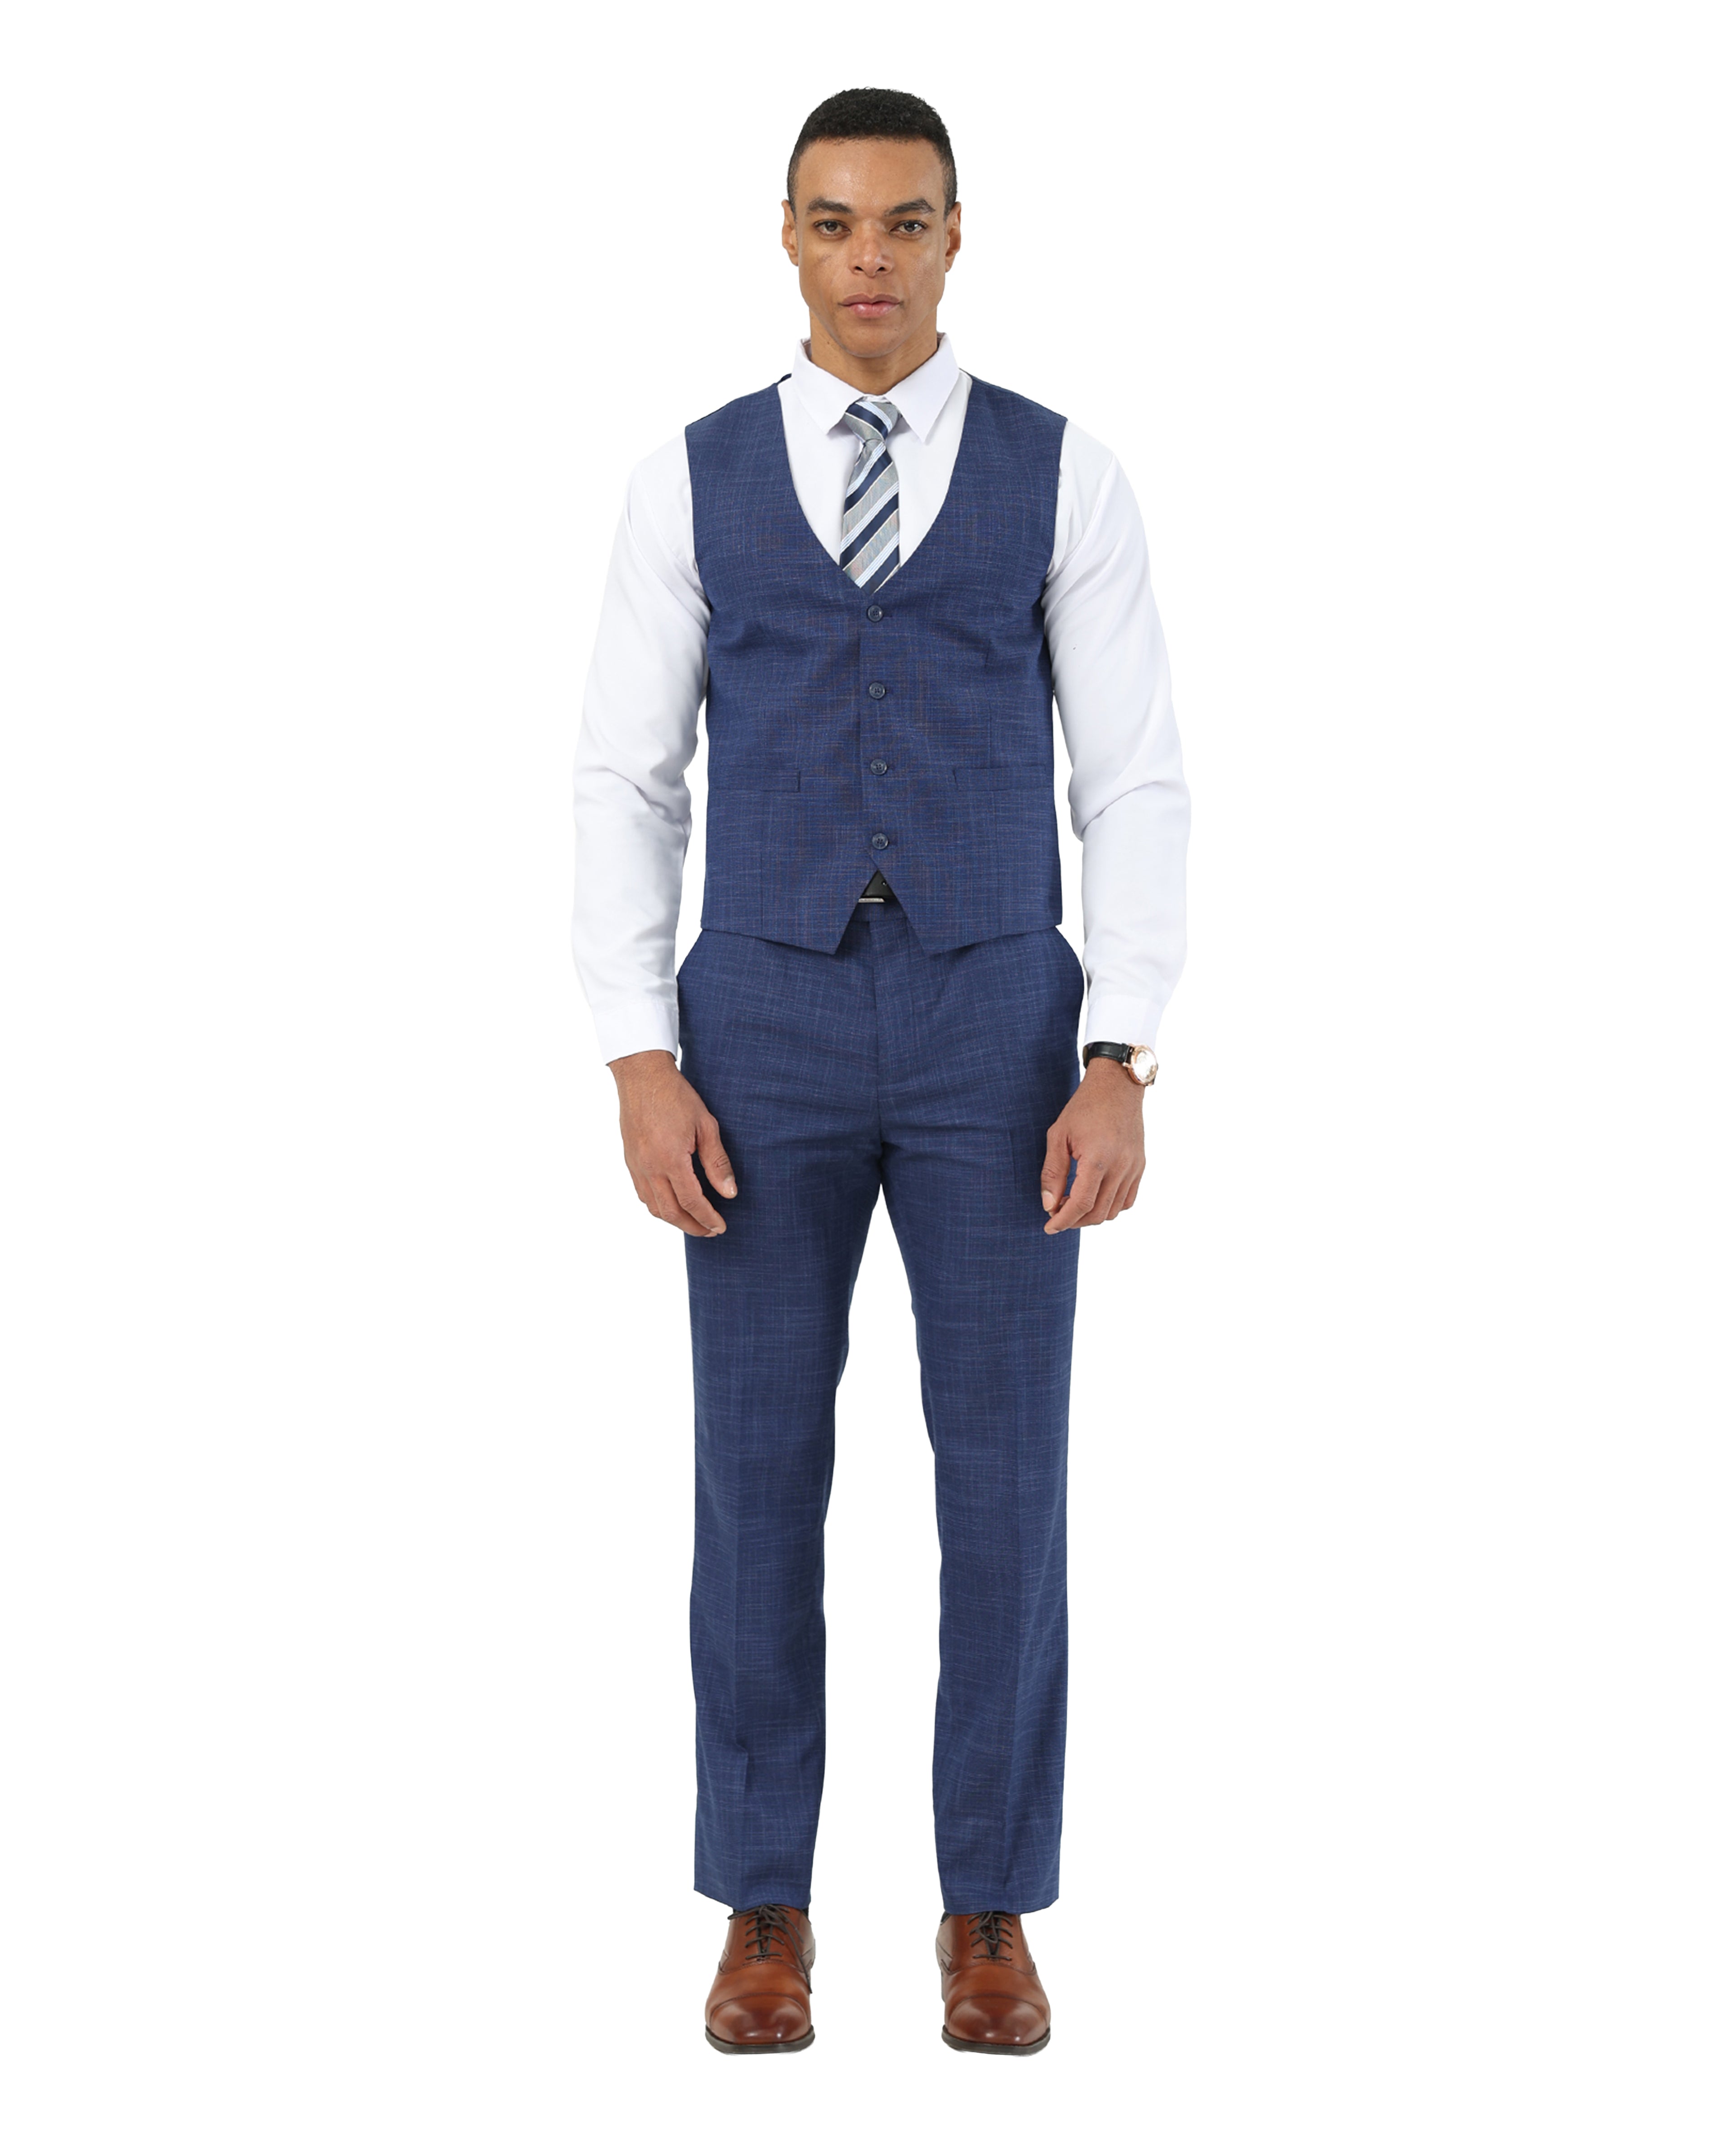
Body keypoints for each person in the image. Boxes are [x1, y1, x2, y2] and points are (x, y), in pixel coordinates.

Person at [572, 86, 1189, 2055]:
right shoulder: (687, 481)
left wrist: (1121, 1047)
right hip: (755, 1021)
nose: (868, 258)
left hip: (998, 1019)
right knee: (754, 1475)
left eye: (904, 222)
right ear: (786, 235)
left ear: (952, 237)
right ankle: (762, 1904)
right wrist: (637, 1051)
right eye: (834, 222)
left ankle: (987, 1906)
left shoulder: (1063, 472)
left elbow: (1134, 775)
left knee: (1006, 1477)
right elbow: (626, 777)